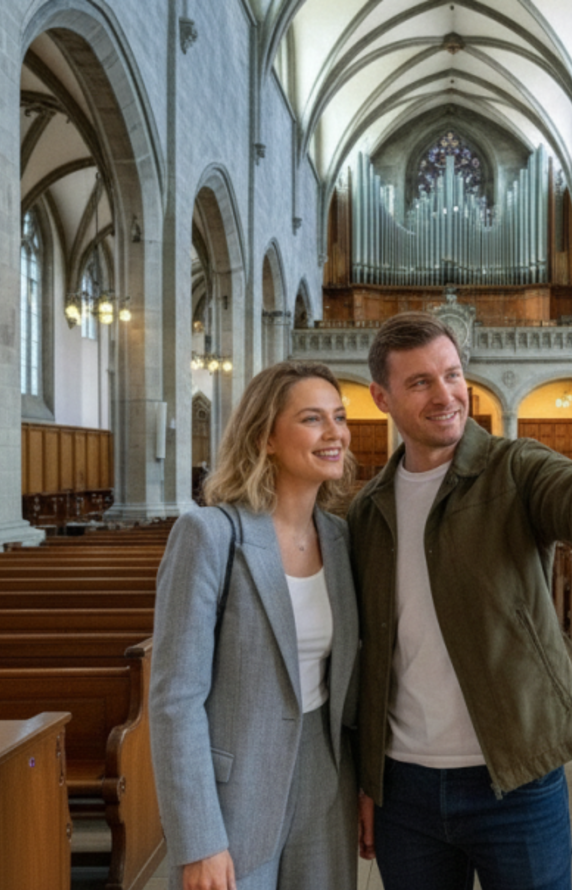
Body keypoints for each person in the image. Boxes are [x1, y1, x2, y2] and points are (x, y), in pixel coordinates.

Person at [349, 313, 572, 889]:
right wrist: (365, 779)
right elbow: (365, 657)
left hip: (515, 774)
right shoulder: (367, 510)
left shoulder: (514, 468)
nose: (446, 394)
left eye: (452, 375)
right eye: (420, 382)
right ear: (381, 397)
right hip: (405, 788)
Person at [150, 360, 361, 890]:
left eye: (339, 417)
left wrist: (366, 789)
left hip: (325, 780)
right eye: (313, 419)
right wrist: (199, 838)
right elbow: (176, 698)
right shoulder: (208, 535)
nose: (335, 433)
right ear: (266, 436)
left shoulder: (339, 539)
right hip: (236, 787)